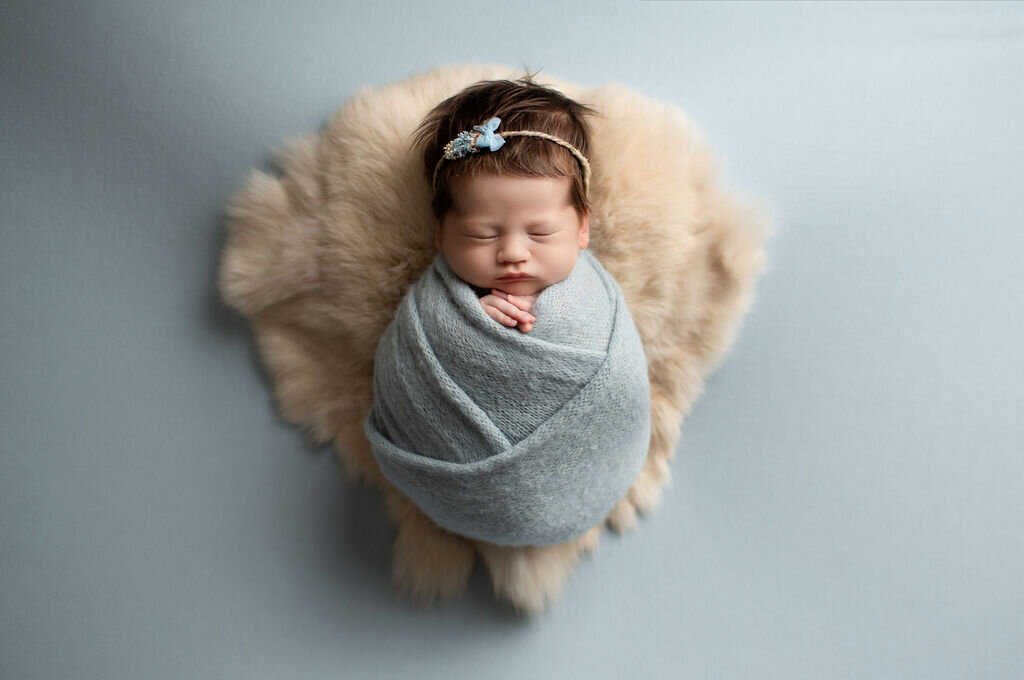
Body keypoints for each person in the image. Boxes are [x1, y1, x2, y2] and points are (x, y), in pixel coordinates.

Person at [414, 76, 596, 333]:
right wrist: (466, 327)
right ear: (440, 230)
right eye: (482, 234)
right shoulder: (427, 309)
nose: (513, 253)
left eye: (540, 232)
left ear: (583, 227)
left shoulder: (597, 300)